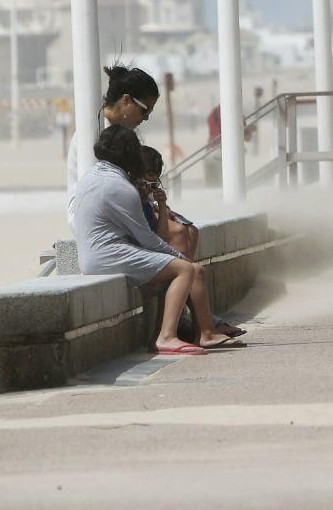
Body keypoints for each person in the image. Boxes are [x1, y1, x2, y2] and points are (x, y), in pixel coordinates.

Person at [72, 124, 238, 355]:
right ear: (131, 154)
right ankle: (166, 337)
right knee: (185, 270)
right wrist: (182, 259)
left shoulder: (91, 176)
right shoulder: (121, 188)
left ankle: (200, 331)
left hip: (93, 256)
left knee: (182, 268)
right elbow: (148, 240)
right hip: (108, 256)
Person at [66, 64, 161, 227]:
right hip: (92, 220)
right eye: (145, 111)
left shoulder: (119, 131)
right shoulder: (96, 133)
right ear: (126, 100)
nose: (145, 119)